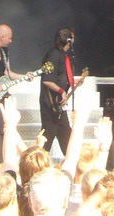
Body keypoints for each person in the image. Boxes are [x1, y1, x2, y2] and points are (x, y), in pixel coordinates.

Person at [39, 27, 84, 155]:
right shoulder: (53, 55)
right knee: (47, 136)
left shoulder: (64, 55)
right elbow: (47, 79)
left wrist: (74, 81)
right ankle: (36, 164)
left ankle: (73, 163)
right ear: (68, 40)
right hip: (51, 104)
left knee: (65, 135)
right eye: (73, 38)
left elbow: (61, 76)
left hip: (59, 105)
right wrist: (61, 91)